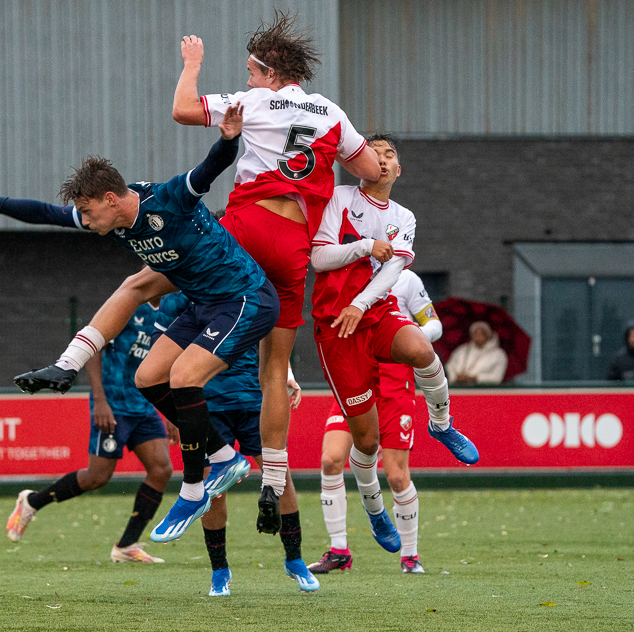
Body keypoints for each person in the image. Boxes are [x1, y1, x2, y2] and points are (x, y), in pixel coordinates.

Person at [11, 108, 304, 580]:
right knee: (146, 375)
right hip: (204, 305)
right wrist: (68, 365)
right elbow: (50, 220)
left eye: (88, 212)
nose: (85, 221)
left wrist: (229, 140)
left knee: (183, 376)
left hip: (244, 298)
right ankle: (224, 458)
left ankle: (195, 486)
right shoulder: (118, 221)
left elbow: (207, 172)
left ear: (109, 198)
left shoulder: (164, 200)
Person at [170, 10, 381, 535]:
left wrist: (192, 64)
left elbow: (180, 110)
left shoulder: (254, 102)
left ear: (269, 73)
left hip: (246, 224)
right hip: (293, 244)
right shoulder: (331, 111)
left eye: (250, 71)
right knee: (275, 372)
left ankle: (96, 349)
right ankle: (273, 478)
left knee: (158, 276)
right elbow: (371, 171)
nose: (245, 80)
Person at [0, 187, 174, 563]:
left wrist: (170, 412)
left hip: (144, 403)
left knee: (161, 469)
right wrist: (99, 400)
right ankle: (32, 501)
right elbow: (96, 345)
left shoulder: (177, 308)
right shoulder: (130, 300)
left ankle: (127, 546)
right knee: (97, 478)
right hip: (113, 402)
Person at [309, 133, 479, 554]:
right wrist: (366, 246)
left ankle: (441, 423)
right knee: (365, 444)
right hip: (337, 326)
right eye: (374, 153)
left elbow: (394, 270)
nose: (382, 160)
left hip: (374, 312)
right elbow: (319, 259)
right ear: (358, 162)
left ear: (398, 170)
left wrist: (363, 301)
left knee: (423, 350)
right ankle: (372, 509)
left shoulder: (404, 216)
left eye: (390, 155)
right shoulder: (340, 197)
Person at [155, 292, 317, 594]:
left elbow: (272, 335)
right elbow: (162, 353)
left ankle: (295, 560)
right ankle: (220, 571)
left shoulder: (243, 282)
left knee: (280, 477)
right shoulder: (177, 297)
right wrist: (172, 411)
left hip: (254, 399)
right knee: (212, 489)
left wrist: (288, 374)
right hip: (207, 405)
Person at [308, 269, 443, 576]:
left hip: (395, 384)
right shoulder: (347, 274)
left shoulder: (407, 280)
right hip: (354, 377)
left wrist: (413, 334)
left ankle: (410, 555)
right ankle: (339, 549)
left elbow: (433, 323)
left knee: (396, 476)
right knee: (330, 460)